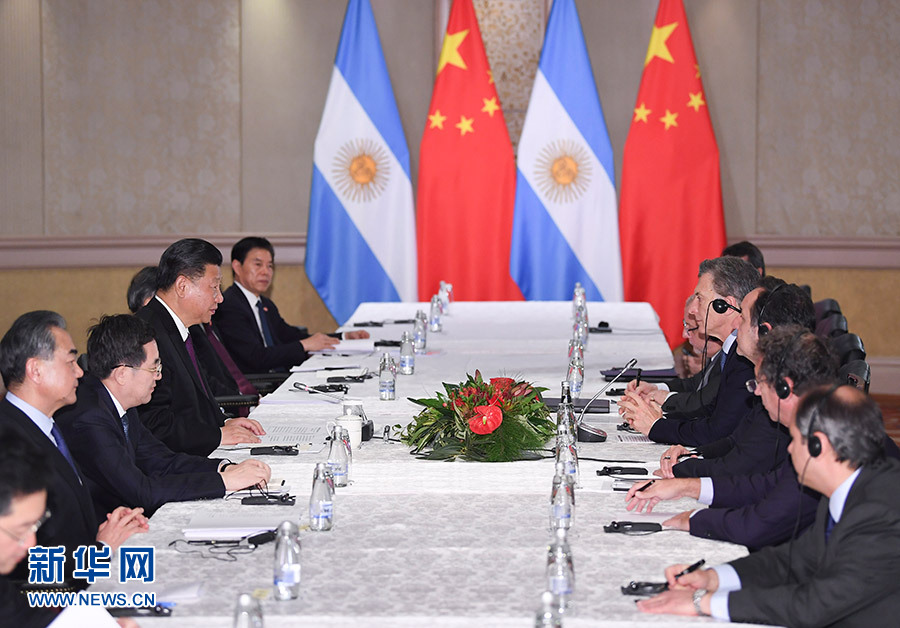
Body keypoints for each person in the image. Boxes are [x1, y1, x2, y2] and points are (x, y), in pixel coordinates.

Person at [636, 385, 900, 626]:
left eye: (794, 440)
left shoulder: (881, 512)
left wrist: (702, 603)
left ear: (818, 445)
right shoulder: (847, 488)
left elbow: (813, 606)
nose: (790, 450)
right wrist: (713, 578)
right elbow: (795, 560)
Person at [624, 327, 894, 550]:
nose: (754, 393)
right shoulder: (818, 423)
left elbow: (760, 523)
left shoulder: (824, 444)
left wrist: (693, 518)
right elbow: (768, 485)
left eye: (758, 383)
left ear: (784, 388)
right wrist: (686, 487)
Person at [57, 315, 271, 519]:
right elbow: (142, 492)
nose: (159, 376)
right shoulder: (90, 419)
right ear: (122, 374)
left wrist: (223, 468)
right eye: (154, 368)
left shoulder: (121, 402)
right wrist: (224, 481)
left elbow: (162, 461)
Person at [0, 311, 148, 586]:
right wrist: (101, 549)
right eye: (70, 362)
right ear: (35, 370)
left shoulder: (48, 426)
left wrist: (105, 530)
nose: (80, 371)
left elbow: (62, 522)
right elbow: (20, 561)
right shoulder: (8, 442)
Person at [662, 282, 815, 479]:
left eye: (742, 317)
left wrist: (679, 469)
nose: (735, 325)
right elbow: (735, 441)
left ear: (764, 332)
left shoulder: (782, 399)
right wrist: (694, 454)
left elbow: (738, 466)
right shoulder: (772, 380)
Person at [136, 238, 264, 456]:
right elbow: (154, 424)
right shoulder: (147, 335)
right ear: (182, 286)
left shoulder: (180, 328)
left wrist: (225, 422)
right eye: (214, 288)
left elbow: (195, 402)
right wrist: (217, 435)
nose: (220, 298)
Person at [619, 256, 759, 445]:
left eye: (700, 299)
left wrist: (656, 426)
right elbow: (707, 405)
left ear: (724, 307)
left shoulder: (745, 357)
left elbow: (717, 430)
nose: (692, 309)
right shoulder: (730, 349)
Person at [213, 236, 369, 373]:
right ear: (237, 267)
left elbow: (291, 337)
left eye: (270, 266)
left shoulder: (264, 304)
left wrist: (343, 336)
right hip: (258, 384)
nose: (266, 272)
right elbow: (255, 357)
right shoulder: (229, 306)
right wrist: (304, 345)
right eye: (258, 264)